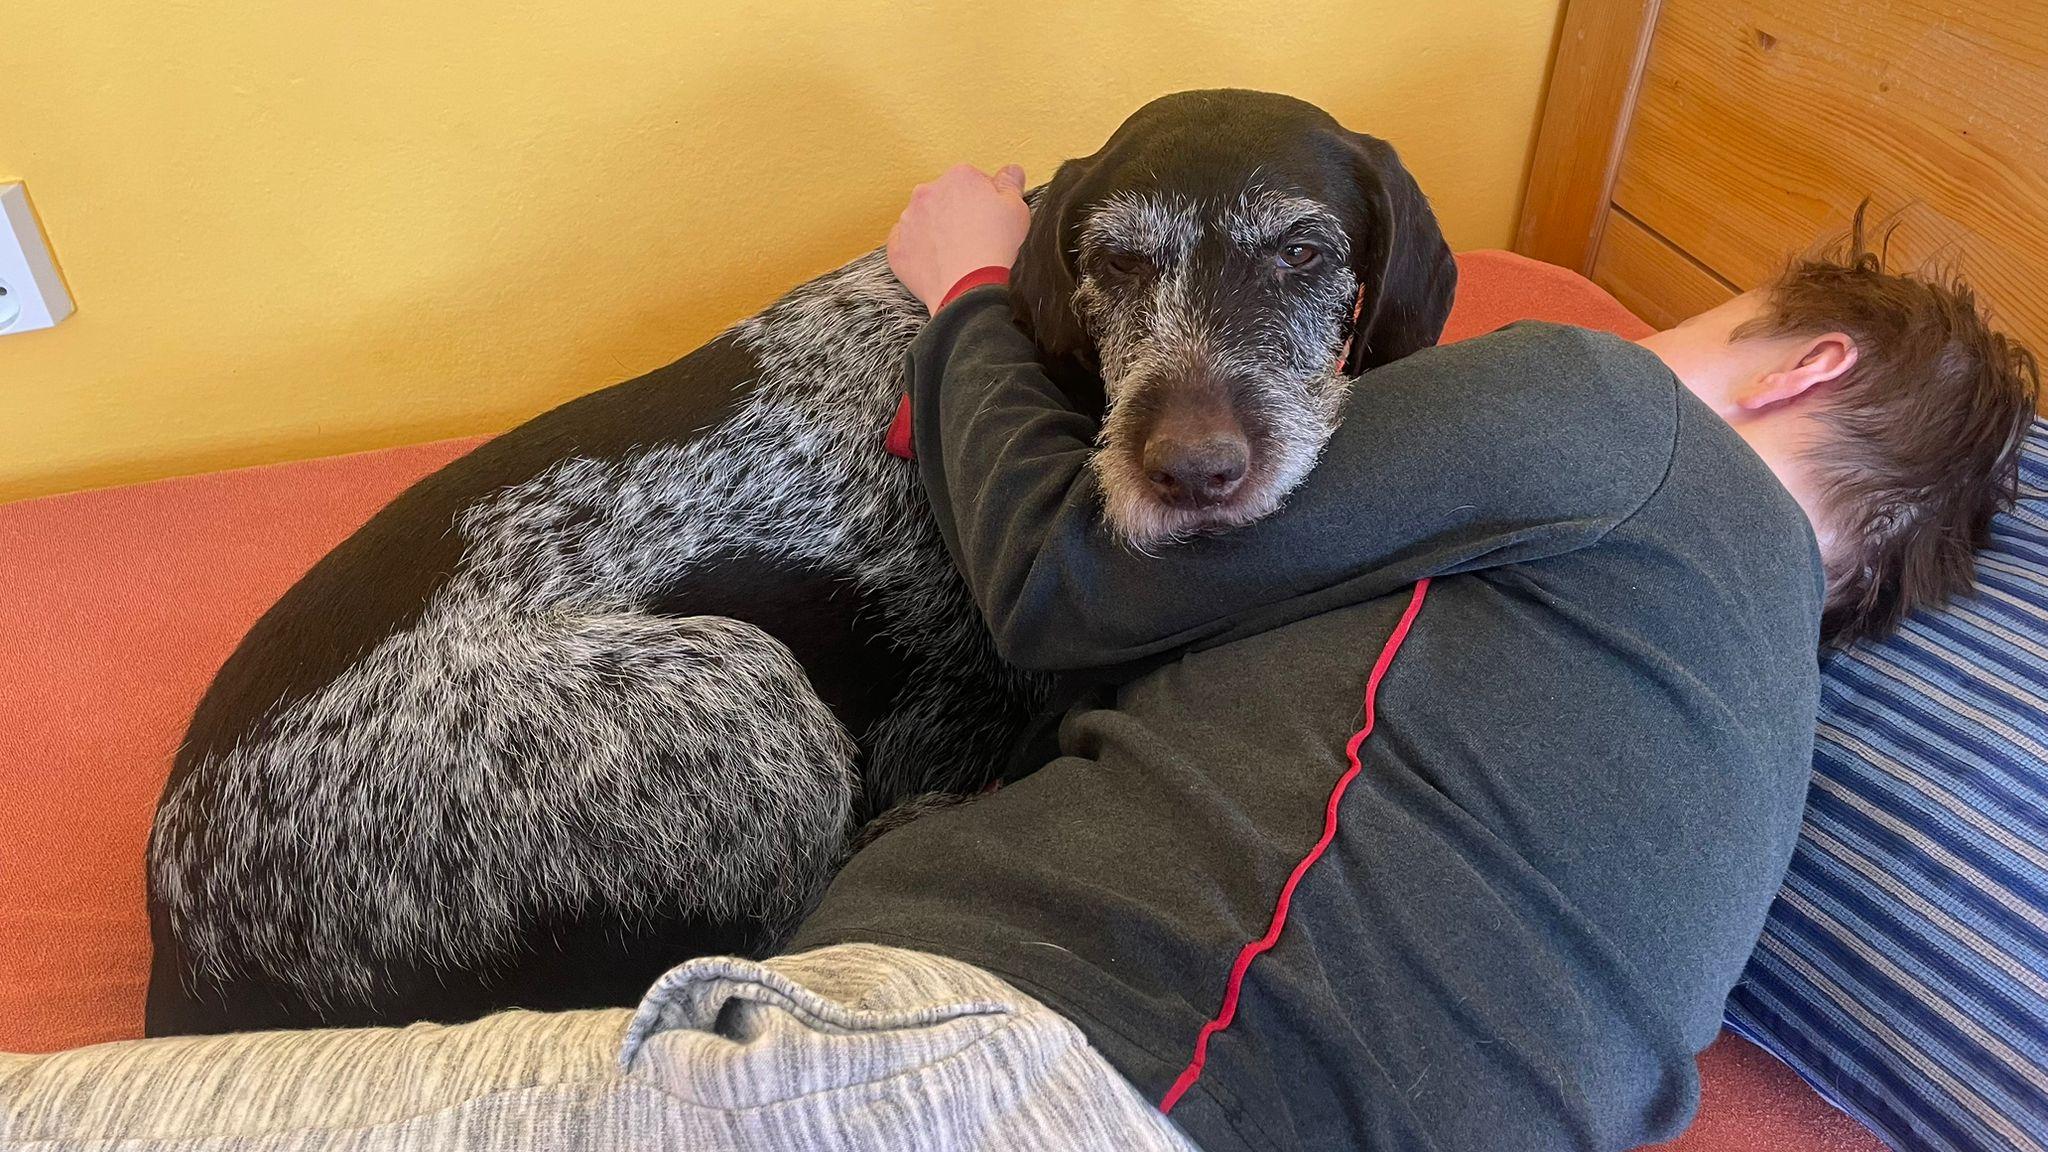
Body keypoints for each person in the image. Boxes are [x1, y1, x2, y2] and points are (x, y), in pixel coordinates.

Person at [4, 168, 2034, 1152]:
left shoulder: (1616, 420)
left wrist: (972, 285)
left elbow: (1080, 591)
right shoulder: (1737, 745)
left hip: (1006, 1080)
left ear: (1803, 364)